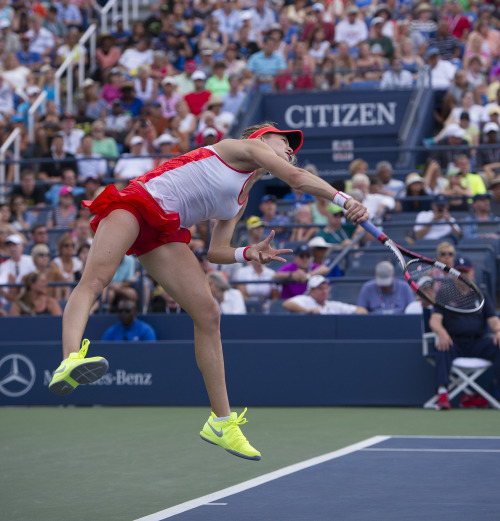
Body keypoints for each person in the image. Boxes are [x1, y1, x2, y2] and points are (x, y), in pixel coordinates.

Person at [47, 122, 368, 461]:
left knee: (209, 314)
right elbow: (296, 178)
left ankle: (221, 422)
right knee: (95, 282)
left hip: (165, 232)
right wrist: (345, 199)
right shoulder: (242, 147)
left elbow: (217, 250)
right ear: (260, 137)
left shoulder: (241, 197)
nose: (290, 149)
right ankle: (70, 360)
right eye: (284, 140)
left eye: (293, 146)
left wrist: (248, 253)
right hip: (138, 203)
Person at [429, 256, 500, 410]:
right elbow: (435, 320)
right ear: (453, 274)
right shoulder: (444, 294)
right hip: (454, 343)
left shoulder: (481, 294)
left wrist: (498, 331)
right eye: (458, 272)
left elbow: (493, 319)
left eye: (465, 272)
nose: (462, 276)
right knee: (442, 346)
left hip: (477, 343)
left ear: (472, 273)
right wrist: (441, 331)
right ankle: (442, 394)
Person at [283, 275, 367, 314]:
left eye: (326, 288)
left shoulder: (333, 305)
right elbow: (287, 304)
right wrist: (308, 311)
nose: (324, 291)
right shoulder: (305, 300)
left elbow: (361, 310)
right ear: (311, 291)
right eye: (320, 288)